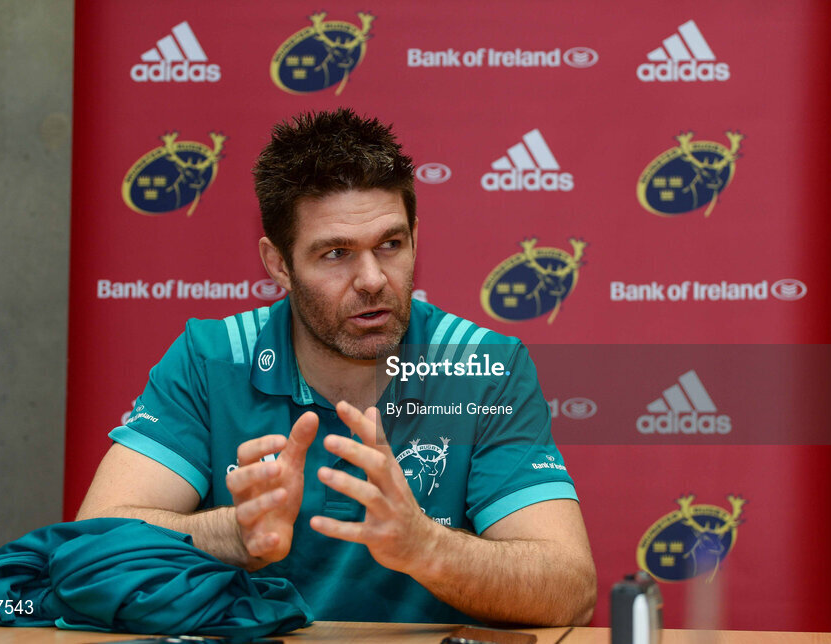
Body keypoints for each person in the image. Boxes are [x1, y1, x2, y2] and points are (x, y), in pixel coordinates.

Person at [76, 108, 597, 626]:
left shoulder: (482, 366)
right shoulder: (213, 358)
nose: (372, 279)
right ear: (279, 264)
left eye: (390, 245)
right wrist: (234, 534)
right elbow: (91, 545)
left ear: (415, 237)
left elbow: (570, 588)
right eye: (336, 253)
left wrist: (426, 547)